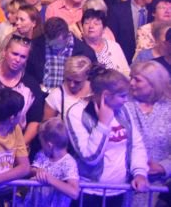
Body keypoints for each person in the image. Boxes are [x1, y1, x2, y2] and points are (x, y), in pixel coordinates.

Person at [66, 65, 150, 207]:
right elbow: (90, 157)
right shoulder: (76, 113)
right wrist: (103, 124)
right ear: (105, 95)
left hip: (120, 191)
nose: (126, 100)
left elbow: (136, 144)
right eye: (122, 96)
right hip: (89, 193)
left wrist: (140, 173)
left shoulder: (124, 110)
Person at [125, 60, 171, 207]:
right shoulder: (123, 105)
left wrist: (163, 167)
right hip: (126, 185)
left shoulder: (169, 109)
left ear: (154, 84)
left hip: (159, 188)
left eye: (137, 80)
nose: (131, 83)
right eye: (131, 78)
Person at [26, 17, 97, 93]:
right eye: (49, 44)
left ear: (67, 36)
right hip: (41, 94)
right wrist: (36, 87)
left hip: (72, 96)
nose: (53, 47)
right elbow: (27, 74)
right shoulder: (34, 46)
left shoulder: (86, 53)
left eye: (57, 45)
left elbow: (92, 80)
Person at [26, 118, 80, 207]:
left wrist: (50, 179)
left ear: (49, 145)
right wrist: (37, 171)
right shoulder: (42, 155)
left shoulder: (69, 163)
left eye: (42, 143)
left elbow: (74, 192)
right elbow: (32, 169)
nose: (42, 146)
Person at [43, 55, 92, 120]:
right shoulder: (56, 96)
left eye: (77, 82)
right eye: (68, 79)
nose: (72, 85)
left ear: (86, 76)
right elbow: (46, 124)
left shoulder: (95, 91)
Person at [81, 9, 130, 75]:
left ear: (104, 29)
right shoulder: (79, 48)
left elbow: (126, 71)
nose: (91, 26)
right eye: (87, 23)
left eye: (96, 24)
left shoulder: (114, 46)